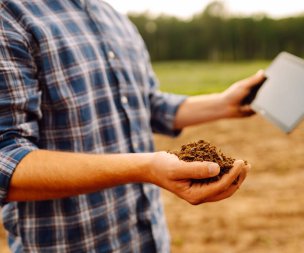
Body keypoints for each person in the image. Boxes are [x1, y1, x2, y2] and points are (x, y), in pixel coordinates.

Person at [0, 0, 265, 252]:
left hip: (149, 239)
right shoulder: (9, 15)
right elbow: (6, 157)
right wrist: (145, 168)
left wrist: (223, 104)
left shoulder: (113, 17)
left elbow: (146, 103)